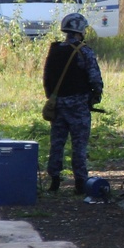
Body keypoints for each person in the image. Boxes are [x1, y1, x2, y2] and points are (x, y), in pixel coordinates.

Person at [44, 13, 103, 195]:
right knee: (79, 144)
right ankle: (80, 182)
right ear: (80, 31)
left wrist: (53, 98)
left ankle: (54, 180)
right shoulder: (84, 51)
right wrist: (95, 96)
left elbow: (47, 78)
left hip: (58, 105)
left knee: (57, 143)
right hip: (78, 105)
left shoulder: (55, 50)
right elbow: (95, 79)